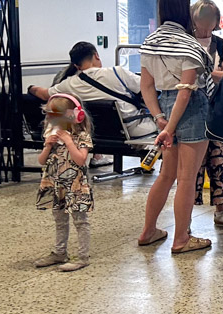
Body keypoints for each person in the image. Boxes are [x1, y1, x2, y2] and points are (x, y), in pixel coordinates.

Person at [137, 0, 214, 255]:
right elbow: (187, 88)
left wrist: (160, 119)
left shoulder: (150, 42)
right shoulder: (188, 44)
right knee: (186, 178)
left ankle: (148, 230)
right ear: (186, 10)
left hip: (164, 106)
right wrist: (170, 128)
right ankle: (181, 238)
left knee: (166, 175)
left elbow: (146, 85)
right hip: (191, 110)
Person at [28, 41, 158, 153]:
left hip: (97, 132)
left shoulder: (69, 84)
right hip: (132, 130)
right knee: (169, 123)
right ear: (96, 55)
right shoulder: (116, 72)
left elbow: (44, 94)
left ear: (76, 66)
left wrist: (31, 88)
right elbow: (148, 89)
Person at [189, 0, 223, 230]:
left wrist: (217, 75)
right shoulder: (186, 43)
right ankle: (185, 216)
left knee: (221, 160)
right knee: (191, 167)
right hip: (191, 112)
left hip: (219, 112)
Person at [33, 94, 94, 272]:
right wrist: (47, 146)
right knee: (59, 220)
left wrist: (69, 142)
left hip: (75, 186)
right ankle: (59, 252)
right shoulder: (50, 136)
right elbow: (42, 161)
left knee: (80, 221)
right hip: (55, 184)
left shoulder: (82, 136)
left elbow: (80, 159)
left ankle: (83, 256)